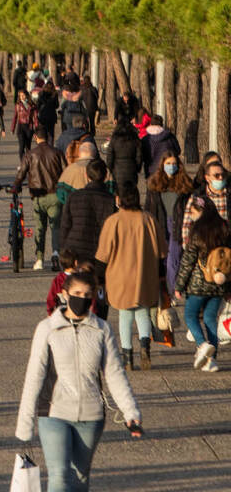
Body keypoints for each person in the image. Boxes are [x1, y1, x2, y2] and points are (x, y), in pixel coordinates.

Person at [16, 270, 143, 492]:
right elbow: (34, 376)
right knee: (59, 474)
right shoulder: (47, 329)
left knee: (80, 476)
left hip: (91, 413)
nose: (81, 300)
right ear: (64, 295)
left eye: (87, 295)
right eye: (76, 294)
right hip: (54, 412)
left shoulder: (101, 329)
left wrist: (130, 412)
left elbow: (114, 373)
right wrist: (25, 423)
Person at [95, 183, 166, 370]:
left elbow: (103, 255)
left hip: (120, 276)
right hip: (145, 274)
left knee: (125, 314)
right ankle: (145, 346)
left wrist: (99, 278)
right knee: (142, 311)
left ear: (119, 199)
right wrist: (161, 275)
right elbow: (161, 251)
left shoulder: (113, 221)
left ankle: (127, 355)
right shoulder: (148, 219)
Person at [174, 203, 229, 372]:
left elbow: (188, 261)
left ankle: (202, 344)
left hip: (198, 284)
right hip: (218, 284)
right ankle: (211, 360)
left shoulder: (198, 231)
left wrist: (179, 285)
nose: (192, 215)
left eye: (193, 212)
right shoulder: (224, 229)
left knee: (190, 315)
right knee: (210, 319)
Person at [14, 127, 68, 270]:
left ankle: (39, 258)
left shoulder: (30, 154)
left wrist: (15, 186)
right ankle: (56, 254)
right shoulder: (57, 153)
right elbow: (66, 171)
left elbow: (21, 174)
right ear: (48, 137)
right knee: (56, 227)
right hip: (55, 195)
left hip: (38, 195)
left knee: (40, 227)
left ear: (35, 137)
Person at [145, 155, 192, 290]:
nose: (171, 166)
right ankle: (166, 289)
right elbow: (149, 206)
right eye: (168, 163)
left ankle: (173, 290)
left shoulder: (184, 183)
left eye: (174, 163)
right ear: (162, 165)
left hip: (178, 223)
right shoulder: (154, 183)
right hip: (160, 222)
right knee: (164, 258)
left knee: (174, 257)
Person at [60, 160, 118, 263]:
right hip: (100, 251)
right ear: (105, 176)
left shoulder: (74, 196)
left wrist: (63, 249)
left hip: (75, 249)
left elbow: (65, 225)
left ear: (87, 175)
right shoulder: (110, 200)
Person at [12, 90, 38, 160]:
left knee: (28, 147)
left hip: (29, 127)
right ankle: (22, 162)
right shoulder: (18, 105)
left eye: (23, 95)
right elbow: (15, 117)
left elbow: (35, 117)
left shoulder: (32, 105)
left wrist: (36, 128)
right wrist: (12, 128)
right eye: (20, 96)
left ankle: (28, 162)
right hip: (21, 127)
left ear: (26, 95)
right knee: (21, 146)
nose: (22, 97)